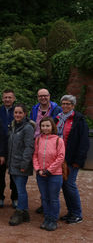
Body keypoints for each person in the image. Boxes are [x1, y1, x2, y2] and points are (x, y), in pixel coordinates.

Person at [55, 95, 90, 225]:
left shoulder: (79, 120)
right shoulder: (57, 118)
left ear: (73, 105)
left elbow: (84, 142)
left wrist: (78, 161)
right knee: (64, 185)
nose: (65, 106)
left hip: (71, 159)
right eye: (63, 103)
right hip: (59, 158)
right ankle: (71, 212)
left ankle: (77, 214)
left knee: (70, 185)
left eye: (68, 104)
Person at [30, 88, 62, 214]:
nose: (43, 98)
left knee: (52, 185)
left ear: (49, 96)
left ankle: (51, 212)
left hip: (52, 141)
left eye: (45, 95)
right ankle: (45, 205)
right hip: (38, 141)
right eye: (40, 96)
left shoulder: (56, 109)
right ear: (38, 97)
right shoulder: (34, 109)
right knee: (41, 180)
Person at [33, 117, 65, 231]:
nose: (45, 128)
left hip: (55, 175)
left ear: (52, 127)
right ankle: (46, 218)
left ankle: (53, 220)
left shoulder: (58, 140)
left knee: (53, 198)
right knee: (45, 198)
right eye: (43, 126)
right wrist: (38, 169)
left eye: (47, 126)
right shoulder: (38, 140)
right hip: (41, 174)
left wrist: (49, 170)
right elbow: (35, 155)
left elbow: (60, 157)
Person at [7, 103, 35, 226]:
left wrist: (24, 164)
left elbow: (29, 147)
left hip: (21, 164)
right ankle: (25, 213)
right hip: (13, 163)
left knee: (20, 190)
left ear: (25, 114)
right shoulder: (14, 126)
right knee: (19, 189)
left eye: (20, 113)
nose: (17, 115)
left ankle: (20, 212)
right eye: (16, 112)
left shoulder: (28, 127)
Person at [0, 89, 18, 208]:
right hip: (1, 148)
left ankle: (15, 198)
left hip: (14, 149)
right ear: (2, 98)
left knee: (14, 175)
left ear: (14, 99)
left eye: (10, 97)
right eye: (5, 97)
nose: (7, 99)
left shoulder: (18, 111)